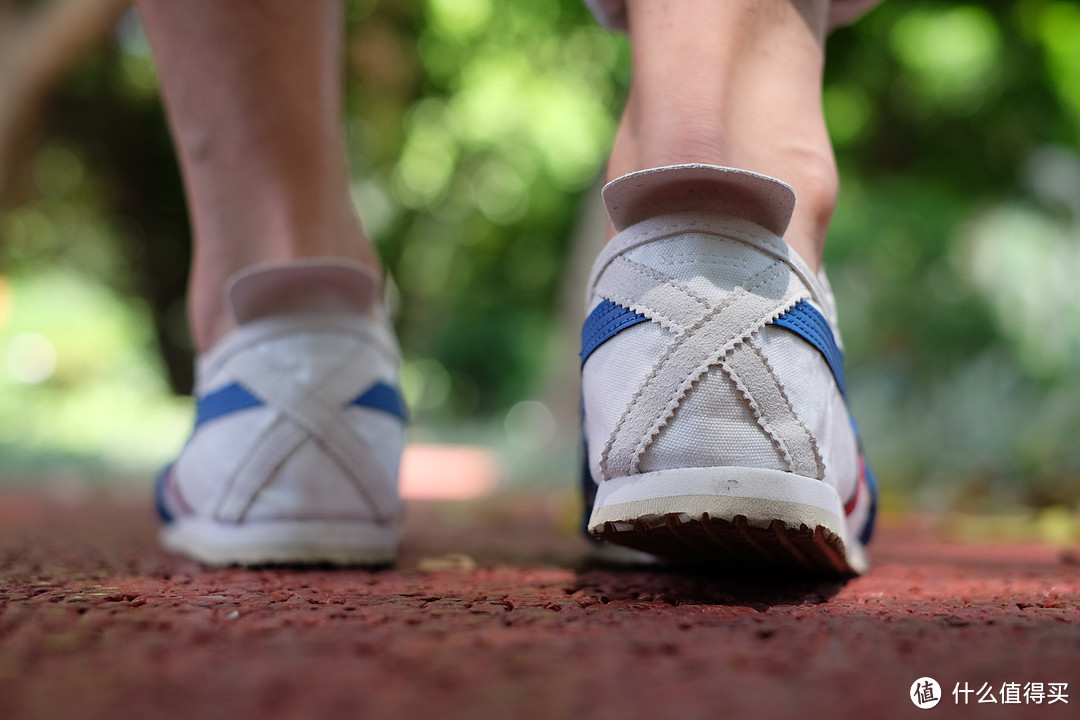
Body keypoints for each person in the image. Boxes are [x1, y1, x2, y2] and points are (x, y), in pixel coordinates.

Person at [146, 0, 879, 575]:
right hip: (751, 327)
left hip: (280, 399)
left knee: (275, 255)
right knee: (720, 121)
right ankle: (733, 217)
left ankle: (282, 329)